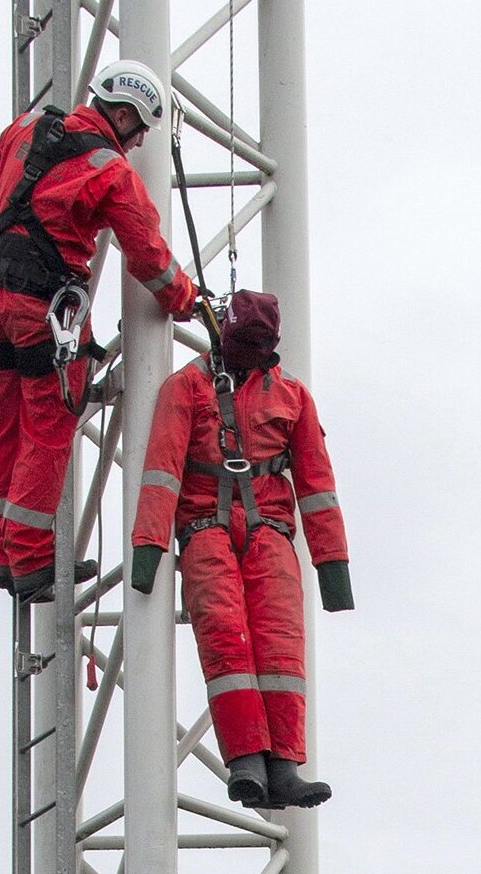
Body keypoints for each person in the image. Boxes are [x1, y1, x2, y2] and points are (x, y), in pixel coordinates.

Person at [0, 60, 198, 600]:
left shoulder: (25, 128)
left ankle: (3, 556)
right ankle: (29, 565)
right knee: (46, 426)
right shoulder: (110, 171)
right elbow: (150, 260)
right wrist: (187, 300)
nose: (138, 143)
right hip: (40, 308)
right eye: (138, 130)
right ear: (121, 114)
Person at [129, 291, 354, 809]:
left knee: (280, 644)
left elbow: (317, 486)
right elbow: (161, 473)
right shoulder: (186, 388)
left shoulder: (292, 396)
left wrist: (332, 568)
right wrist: (149, 550)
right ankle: (246, 760)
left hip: (270, 531)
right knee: (226, 636)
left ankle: (284, 766)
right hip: (206, 528)